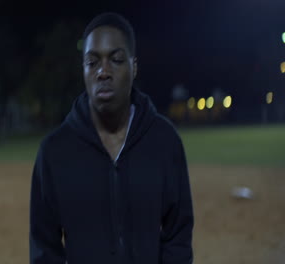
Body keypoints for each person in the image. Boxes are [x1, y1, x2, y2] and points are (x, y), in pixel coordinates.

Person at [30, 12, 194, 264]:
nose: (103, 72)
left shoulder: (164, 141)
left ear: (134, 66)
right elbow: (44, 249)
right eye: (92, 62)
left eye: (116, 59)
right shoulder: (54, 152)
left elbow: (178, 237)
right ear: (83, 70)